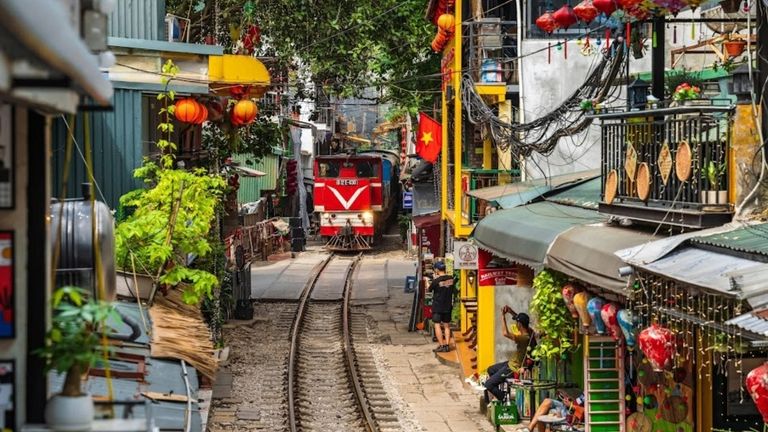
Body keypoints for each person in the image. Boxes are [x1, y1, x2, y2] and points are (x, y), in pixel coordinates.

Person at [483, 305, 536, 403]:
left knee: (488, 384)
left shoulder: (524, 338)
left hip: (513, 368)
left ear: (519, 324)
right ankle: (498, 393)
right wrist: (511, 312)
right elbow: (519, 318)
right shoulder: (530, 331)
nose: (515, 324)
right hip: (510, 363)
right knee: (490, 369)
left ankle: (503, 397)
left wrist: (503, 317)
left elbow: (505, 333)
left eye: (517, 323)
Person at [427, 261, 455, 353]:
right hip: (447, 306)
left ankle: (442, 345)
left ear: (437, 270)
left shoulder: (436, 281)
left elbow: (429, 289)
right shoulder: (451, 279)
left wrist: (427, 282)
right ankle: (447, 345)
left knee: (437, 325)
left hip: (438, 306)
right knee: (447, 325)